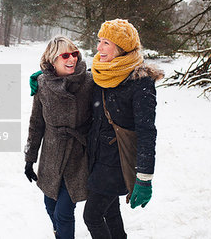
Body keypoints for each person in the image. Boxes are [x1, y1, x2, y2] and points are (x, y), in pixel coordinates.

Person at [84, 19, 163, 238]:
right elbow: (74, 79)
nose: (99, 48)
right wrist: (45, 77)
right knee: (110, 212)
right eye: (99, 41)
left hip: (117, 162)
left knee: (91, 217)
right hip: (97, 157)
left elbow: (147, 131)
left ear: (121, 48)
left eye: (106, 42)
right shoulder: (102, 72)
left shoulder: (140, 82)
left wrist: (144, 177)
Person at [24, 36, 94, 239]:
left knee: (64, 211)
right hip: (52, 155)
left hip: (78, 155)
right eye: (65, 55)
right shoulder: (42, 85)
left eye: (75, 54)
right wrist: (30, 159)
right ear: (53, 60)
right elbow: (36, 124)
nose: (72, 59)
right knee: (50, 204)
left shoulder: (90, 81)